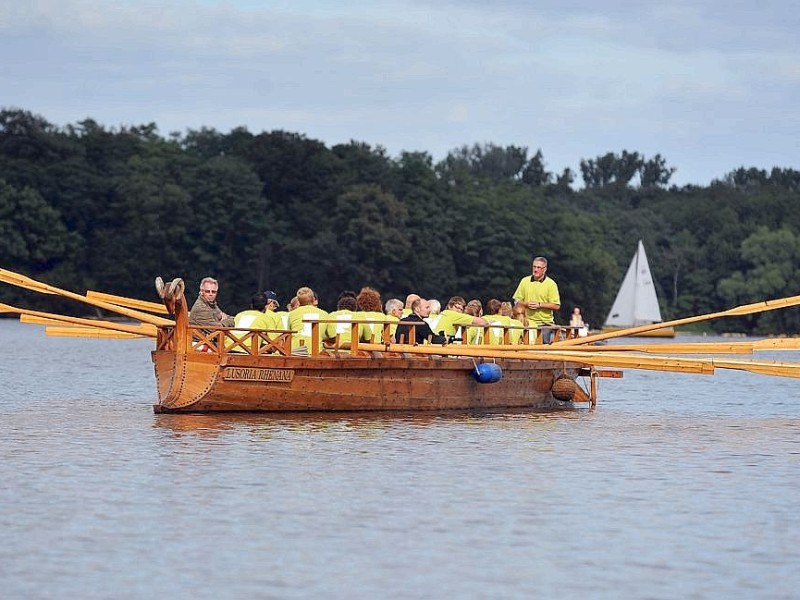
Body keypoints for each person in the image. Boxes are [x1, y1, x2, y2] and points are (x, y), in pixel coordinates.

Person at [512, 256, 561, 343]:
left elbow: (556, 305)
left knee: (542, 350)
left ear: (544, 269)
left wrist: (540, 305)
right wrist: (526, 304)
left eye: (538, 267)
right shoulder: (524, 281)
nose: (535, 270)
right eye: (534, 267)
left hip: (544, 324)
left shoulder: (551, 284)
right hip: (526, 322)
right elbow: (516, 300)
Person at [288, 286, 329, 354]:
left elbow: (286, 335)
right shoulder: (324, 314)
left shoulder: (291, 314)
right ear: (313, 299)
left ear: (298, 301)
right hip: (316, 351)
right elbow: (329, 336)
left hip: (295, 351)